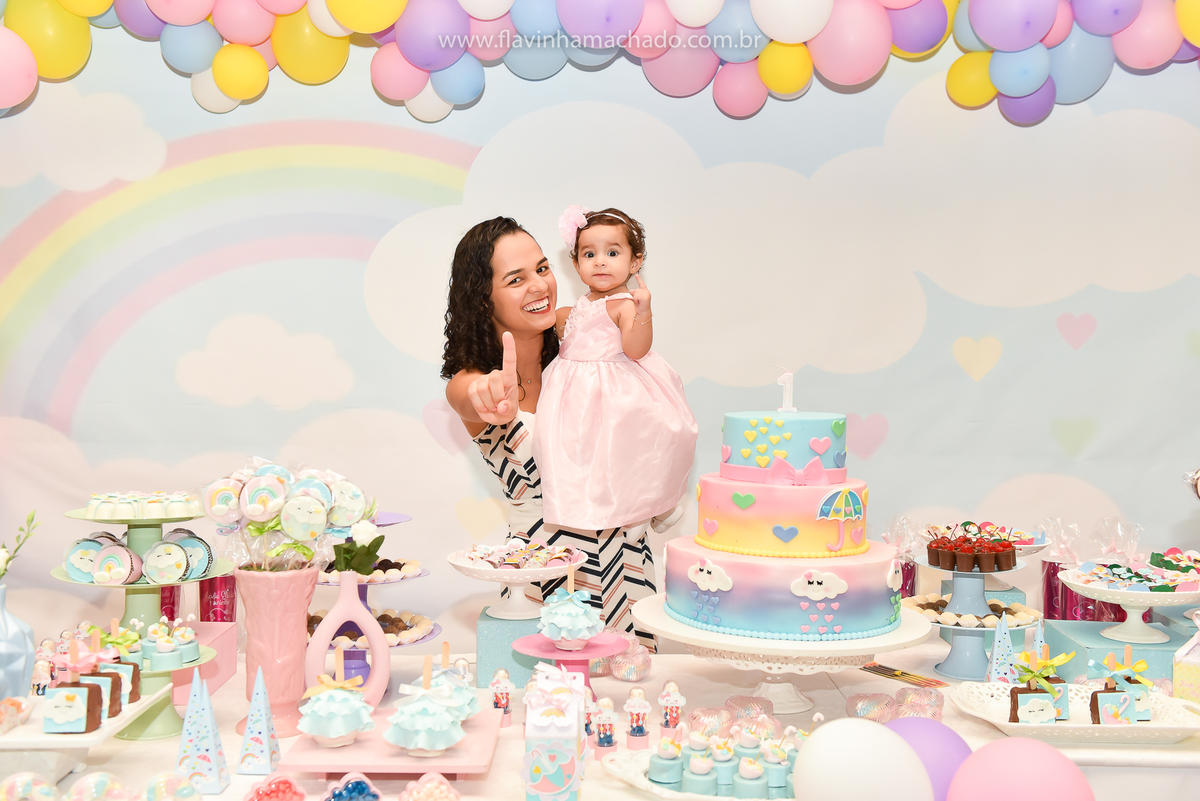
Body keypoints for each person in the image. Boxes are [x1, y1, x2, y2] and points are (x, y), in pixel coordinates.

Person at [442, 216, 660, 649]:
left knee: (634, 684)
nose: (540, 285)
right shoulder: (470, 382)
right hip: (541, 570)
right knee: (547, 687)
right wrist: (488, 393)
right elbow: (469, 395)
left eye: (542, 268)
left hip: (626, 559)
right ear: (483, 298)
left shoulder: (582, 333)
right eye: (516, 279)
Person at [531, 206, 698, 535]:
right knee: (583, 456)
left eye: (612, 253)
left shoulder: (624, 305)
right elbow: (569, 326)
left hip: (613, 392)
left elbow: (636, 349)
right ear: (576, 264)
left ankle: (641, 509)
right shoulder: (580, 305)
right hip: (575, 397)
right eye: (589, 254)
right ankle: (610, 510)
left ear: (634, 263)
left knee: (623, 450)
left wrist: (644, 313)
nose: (600, 262)